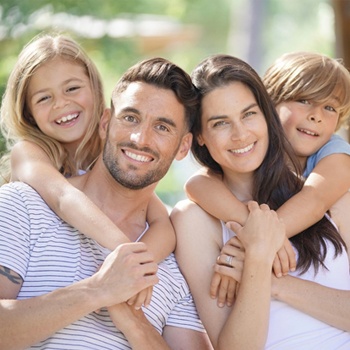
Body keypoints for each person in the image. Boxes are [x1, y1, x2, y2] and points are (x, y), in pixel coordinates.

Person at [0, 57, 212, 349]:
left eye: (162, 127)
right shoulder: (21, 205)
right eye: (130, 118)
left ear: (184, 146)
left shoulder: (175, 264)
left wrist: (130, 316)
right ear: (105, 123)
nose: (140, 138)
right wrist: (97, 290)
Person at [171, 54, 350, 349]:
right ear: (199, 136)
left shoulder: (332, 190)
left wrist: (267, 273)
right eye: (220, 123)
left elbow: (314, 199)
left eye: (249, 114)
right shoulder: (194, 219)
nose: (240, 134)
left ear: (265, 114)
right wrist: (259, 249)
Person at [0, 33, 177, 308]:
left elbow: (163, 224)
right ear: (28, 113)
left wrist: (139, 267)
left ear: (95, 89)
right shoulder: (30, 152)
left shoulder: (114, 150)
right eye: (44, 98)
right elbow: (62, 197)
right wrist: (122, 250)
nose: (61, 104)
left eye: (72, 89)